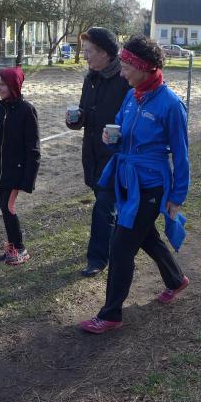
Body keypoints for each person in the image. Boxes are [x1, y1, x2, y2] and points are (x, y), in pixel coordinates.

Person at [79, 35, 190, 334]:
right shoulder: (131, 96)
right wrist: (111, 138)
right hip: (126, 178)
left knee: (121, 246)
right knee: (146, 236)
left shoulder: (171, 104)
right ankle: (176, 279)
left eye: (127, 67)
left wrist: (177, 196)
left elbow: (181, 155)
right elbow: (121, 132)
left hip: (151, 185)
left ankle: (111, 314)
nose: (122, 72)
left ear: (143, 67)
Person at [65, 27, 131, 277]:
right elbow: (85, 113)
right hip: (92, 153)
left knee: (104, 206)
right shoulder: (90, 78)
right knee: (108, 204)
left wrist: (119, 136)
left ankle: (97, 259)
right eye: (84, 51)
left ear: (105, 53)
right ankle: (117, 245)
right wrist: (75, 119)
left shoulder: (124, 79)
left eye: (89, 51)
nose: (85, 56)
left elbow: (132, 118)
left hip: (115, 156)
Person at [0, 66, 40, 266]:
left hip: (17, 171)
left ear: (14, 85)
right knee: (4, 208)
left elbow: (33, 147)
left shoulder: (27, 110)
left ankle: (20, 249)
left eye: (3, 84)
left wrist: (28, 179)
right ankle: (12, 246)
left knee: (9, 207)